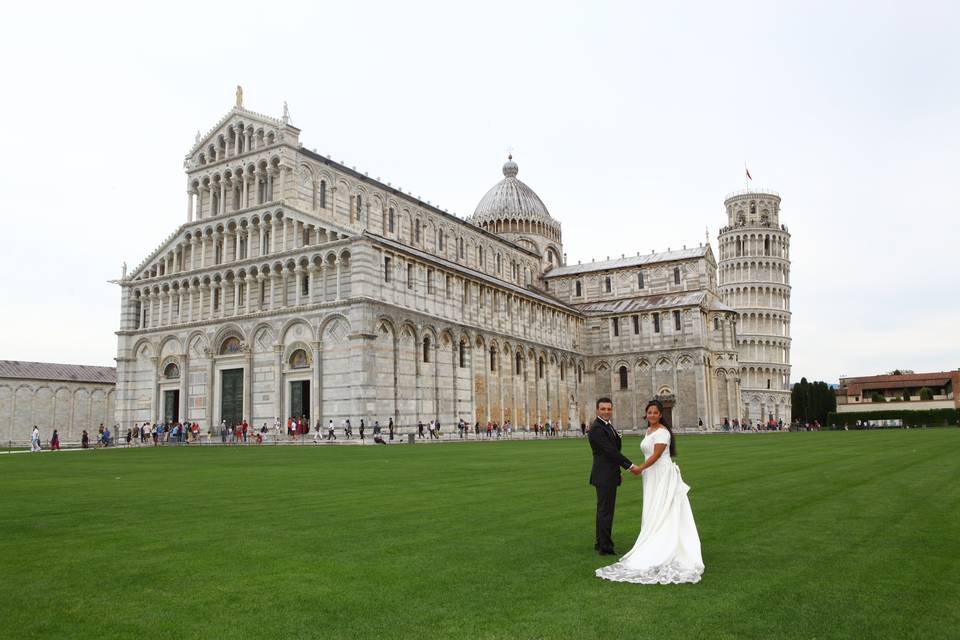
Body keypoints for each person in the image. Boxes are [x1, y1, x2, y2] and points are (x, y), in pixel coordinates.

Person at [596, 399, 704, 584]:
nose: (652, 415)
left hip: (661, 473)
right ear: (646, 414)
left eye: (655, 412)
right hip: (651, 475)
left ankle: (664, 544)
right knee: (653, 507)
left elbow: (655, 455)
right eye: (649, 412)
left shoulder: (662, 432)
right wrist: (636, 468)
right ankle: (649, 539)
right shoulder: (649, 430)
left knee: (663, 507)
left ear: (660, 415)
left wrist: (639, 468)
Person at [587, 397, 641, 557]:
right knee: (606, 511)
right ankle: (605, 546)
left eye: (608, 409)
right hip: (603, 475)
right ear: (597, 410)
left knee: (604, 510)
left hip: (608, 473)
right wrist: (630, 466)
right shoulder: (597, 428)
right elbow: (610, 451)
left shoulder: (607, 426)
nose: (606, 411)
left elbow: (610, 453)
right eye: (603, 409)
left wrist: (617, 471)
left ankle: (600, 542)